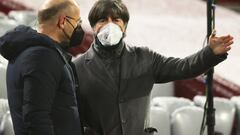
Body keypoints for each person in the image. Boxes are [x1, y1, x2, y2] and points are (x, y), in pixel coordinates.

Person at [73, 0, 234, 135]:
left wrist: (210, 53)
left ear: (124, 27)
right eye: (102, 20)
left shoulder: (145, 58)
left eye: (116, 20)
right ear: (93, 26)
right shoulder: (77, 68)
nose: (110, 25)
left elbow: (184, 67)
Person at [0, 0, 84, 135]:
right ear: (62, 21)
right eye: (77, 22)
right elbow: (36, 118)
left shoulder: (27, 51)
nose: (79, 27)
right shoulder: (43, 57)